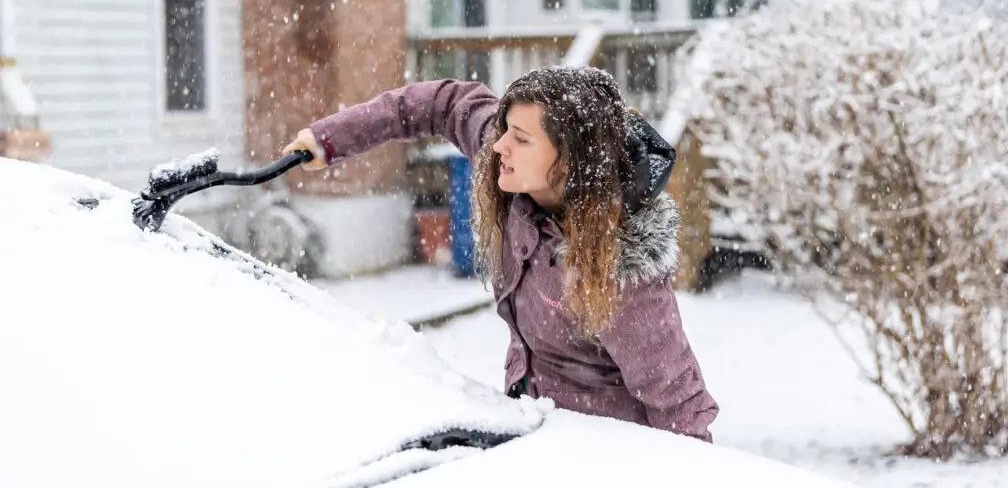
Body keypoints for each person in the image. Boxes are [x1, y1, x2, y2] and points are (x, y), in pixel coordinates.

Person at [282, 66, 719, 442]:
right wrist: (330, 138)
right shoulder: (512, 177)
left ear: (570, 162)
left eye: (521, 139)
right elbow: (443, 103)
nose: (498, 146)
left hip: (601, 456)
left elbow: (679, 405)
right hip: (532, 436)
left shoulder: (623, 274)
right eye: (505, 129)